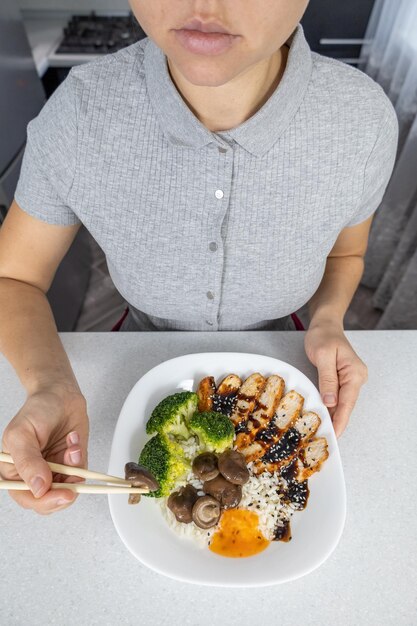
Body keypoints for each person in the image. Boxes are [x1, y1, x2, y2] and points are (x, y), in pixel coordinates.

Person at [0, 0, 398, 515]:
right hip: (129, 363)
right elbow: (14, 277)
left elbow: (347, 251)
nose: (204, 6)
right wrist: (49, 384)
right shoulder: (79, 113)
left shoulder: (361, 119)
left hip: (289, 361)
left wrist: (327, 320)